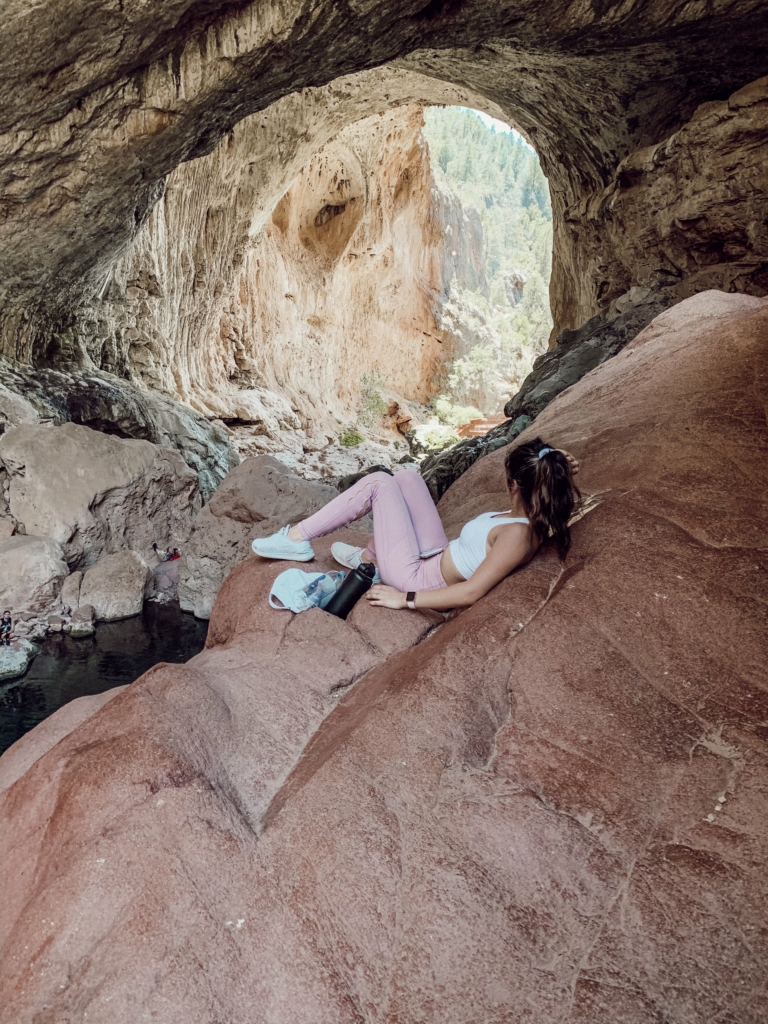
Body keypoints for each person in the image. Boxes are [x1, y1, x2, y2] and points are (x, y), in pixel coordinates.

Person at [252, 437, 580, 612]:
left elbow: (470, 592)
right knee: (407, 477)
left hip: (417, 578)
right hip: (434, 554)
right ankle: (371, 560)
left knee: (380, 483)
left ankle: (297, 538)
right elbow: (552, 478)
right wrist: (558, 462)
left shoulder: (518, 534)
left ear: (514, 485)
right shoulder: (535, 511)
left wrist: (404, 598)